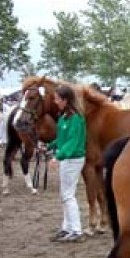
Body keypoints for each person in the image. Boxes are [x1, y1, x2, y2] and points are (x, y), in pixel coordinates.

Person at [47, 85, 87, 243]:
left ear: (65, 100)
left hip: (73, 159)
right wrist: (50, 146)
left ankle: (76, 230)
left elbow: (72, 142)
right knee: (66, 194)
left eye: (57, 99)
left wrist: (58, 156)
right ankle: (67, 228)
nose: (55, 101)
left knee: (68, 195)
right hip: (68, 159)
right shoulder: (65, 118)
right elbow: (63, 139)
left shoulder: (76, 119)